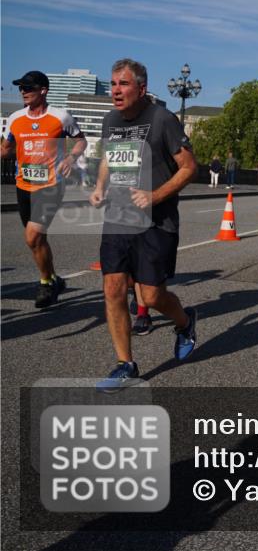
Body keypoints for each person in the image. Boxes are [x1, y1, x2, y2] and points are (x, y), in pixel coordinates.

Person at [90, 59, 199, 392]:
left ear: (141, 87)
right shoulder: (111, 120)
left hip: (157, 221)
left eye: (123, 84)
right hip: (119, 218)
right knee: (113, 289)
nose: (116, 91)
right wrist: (100, 187)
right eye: (113, 84)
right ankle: (126, 364)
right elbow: (110, 155)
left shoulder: (162, 119)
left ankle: (184, 322)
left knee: (150, 297)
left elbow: (189, 168)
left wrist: (154, 195)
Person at [1, 71, 87, 308]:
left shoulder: (61, 117)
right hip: (23, 184)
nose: (23, 92)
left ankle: (45, 282)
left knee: (32, 236)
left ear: (43, 90)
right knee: (37, 240)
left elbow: (81, 140)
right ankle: (53, 279)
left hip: (51, 185)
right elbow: (6, 149)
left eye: (28, 88)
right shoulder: (15, 118)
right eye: (21, 88)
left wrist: (70, 158)